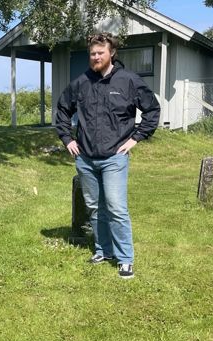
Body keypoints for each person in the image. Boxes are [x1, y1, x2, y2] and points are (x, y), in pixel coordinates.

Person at [56, 32, 160, 279]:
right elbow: (62, 110)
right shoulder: (81, 83)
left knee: (116, 207)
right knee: (94, 207)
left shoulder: (128, 81)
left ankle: (125, 259)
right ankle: (104, 250)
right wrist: (67, 139)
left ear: (111, 53)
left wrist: (135, 138)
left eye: (100, 53)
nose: (95, 57)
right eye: (92, 53)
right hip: (86, 158)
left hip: (114, 157)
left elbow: (152, 110)